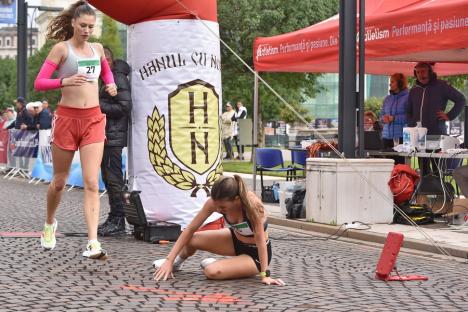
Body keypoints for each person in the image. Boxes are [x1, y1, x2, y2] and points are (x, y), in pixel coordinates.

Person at [33, 0, 117, 259]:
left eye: (91, 26)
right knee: (59, 181)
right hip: (67, 119)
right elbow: (39, 83)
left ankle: (93, 242)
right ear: (72, 23)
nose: (87, 30)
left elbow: (105, 72)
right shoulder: (62, 49)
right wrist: (64, 80)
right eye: (83, 25)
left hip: (93, 119)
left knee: (92, 182)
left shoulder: (97, 49)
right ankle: (49, 223)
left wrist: (111, 84)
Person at [153, 175, 285, 286]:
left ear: (236, 199)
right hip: (234, 241)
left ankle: (218, 265)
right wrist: (169, 260)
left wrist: (265, 275)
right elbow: (190, 229)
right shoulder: (214, 203)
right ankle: (177, 263)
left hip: (255, 254)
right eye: (216, 204)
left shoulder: (253, 206)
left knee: (211, 272)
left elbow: (261, 242)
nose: (217, 209)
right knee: (192, 239)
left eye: (222, 207)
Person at [407, 62, 466, 175]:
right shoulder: (414, 90)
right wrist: (411, 124)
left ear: (430, 71)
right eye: (417, 72)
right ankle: (424, 190)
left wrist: (449, 115)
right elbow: (408, 110)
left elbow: (461, 100)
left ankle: (439, 191)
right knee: (423, 168)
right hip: (419, 135)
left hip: (436, 133)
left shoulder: (441, 85)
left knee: (437, 169)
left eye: (423, 71)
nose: (420, 74)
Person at [97, 46, 132, 237]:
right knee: (108, 179)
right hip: (107, 136)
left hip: (113, 137)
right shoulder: (108, 78)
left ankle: (118, 220)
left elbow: (125, 107)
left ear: (107, 61)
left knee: (113, 179)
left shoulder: (116, 78)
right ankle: (114, 217)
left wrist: (97, 105)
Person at [380, 73, 409, 149]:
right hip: (386, 137)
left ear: (400, 83)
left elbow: (410, 117)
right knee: (386, 161)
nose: (390, 84)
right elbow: (381, 115)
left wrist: (394, 118)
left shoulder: (408, 97)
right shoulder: (387, 99)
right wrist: (383, 119)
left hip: (401, 137)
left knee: (399, 161)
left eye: (392, 82)